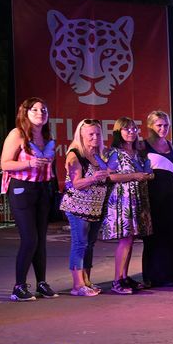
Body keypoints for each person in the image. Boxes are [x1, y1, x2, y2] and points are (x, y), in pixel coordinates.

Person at [1, 97, 58, 301]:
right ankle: (19, 286)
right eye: (34, 110)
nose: (40, 113)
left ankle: (41, 283)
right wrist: (30, 163)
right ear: (25, 112)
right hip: (21, 189)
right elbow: (5, 164)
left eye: (44, 109)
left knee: (40, 239)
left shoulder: (47, 136)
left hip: (42, 189)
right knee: (29, 238)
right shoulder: (17, 134)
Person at [101, 117, 154, 295]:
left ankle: (124, 276)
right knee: (125, 239)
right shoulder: (115, 153)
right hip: (123, 200)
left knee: (130, 240)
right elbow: (110, 177)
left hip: (138, 198)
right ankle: (117, 280)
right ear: (118, 132)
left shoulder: (138, 152)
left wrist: (147, 175)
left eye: (133, 129)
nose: (131, 132)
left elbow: (146, 172)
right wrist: (134, 176)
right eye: (126, 129)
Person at [60, 119, 111, 296]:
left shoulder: (98, 155)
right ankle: (77, 285)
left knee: (89, 244)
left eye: (97, 134)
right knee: (79, 243)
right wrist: (94, 178)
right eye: (91, 134)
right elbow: (76, 183)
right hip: (77, 207)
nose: (95, 137)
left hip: (95, 208)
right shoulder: (75, 155)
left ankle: (86, 281)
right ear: (81, 135)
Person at [142, 111, 173, 287]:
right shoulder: (142, 146)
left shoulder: (170, 146)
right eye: (159, 125)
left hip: (169, 197)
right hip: (151, 197)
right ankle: (153, 277)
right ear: (150, 126)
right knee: (153, 238)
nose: (163, 128)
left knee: (172, 236)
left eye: (165, 125)